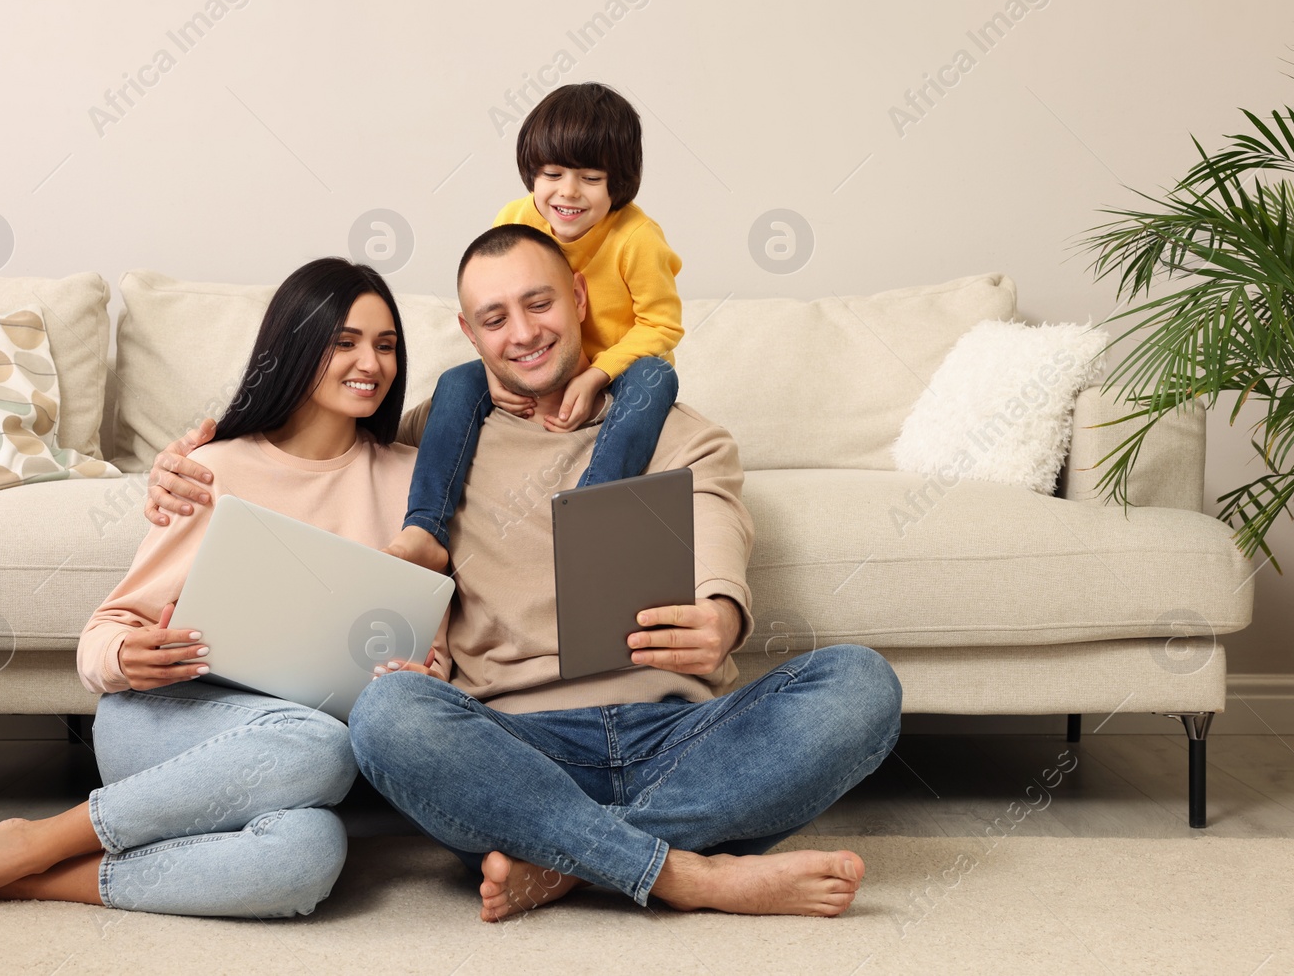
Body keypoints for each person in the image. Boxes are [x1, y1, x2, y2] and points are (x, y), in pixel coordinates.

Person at [147, 226, 904, 921]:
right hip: (511, 747)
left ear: (578, 298)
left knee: (862, 683)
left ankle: (571, 863)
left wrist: (722, 615)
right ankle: (687, 874)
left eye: (539, 303)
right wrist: (190, 461)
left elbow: (717, 526)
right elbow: (315, 457)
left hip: (681, 732)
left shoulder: (682, 432)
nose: (524, 332)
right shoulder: (428, 444)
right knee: (388, 714)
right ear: (469, 333)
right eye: (496, 317)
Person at [0, 258, 416, 918]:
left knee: (306, 858)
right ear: (297, 345)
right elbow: (103, 635)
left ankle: (27, 874)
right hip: (170, 720)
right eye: (345, 341)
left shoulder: (415, 479)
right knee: (322, 747)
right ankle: (37, 840)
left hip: (300, 751)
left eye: (386, 345)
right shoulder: (211, 470)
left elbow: (429, 638)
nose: (372, 362)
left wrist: (419, 671)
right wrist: (130, 655)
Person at [385, 82, 685, 574]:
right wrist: (492, 370)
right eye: (552, 174)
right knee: (455, 383)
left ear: (620, 183)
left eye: (590, 178)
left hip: (618, 365)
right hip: (537, 366)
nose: (568, 192)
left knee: (657, 378)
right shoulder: (515, 219)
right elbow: (490, 307)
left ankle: (591, 511)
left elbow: (662, 324)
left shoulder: (637, 239)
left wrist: (597, 375)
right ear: (532, 174)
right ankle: (425, 526)